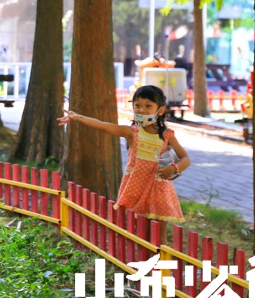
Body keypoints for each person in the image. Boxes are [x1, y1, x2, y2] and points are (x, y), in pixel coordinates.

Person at [57, 85, 190, 243]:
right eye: (137, 105)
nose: (141, 110)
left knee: (159, 236)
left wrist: (174, 169)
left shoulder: (167, 135)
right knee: (142, 234)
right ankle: (145, 265)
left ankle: (161, 267)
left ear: (160, 111)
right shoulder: (131, 132)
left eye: (148, 106)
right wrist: (78, 117)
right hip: (136, 188)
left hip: (159, 190)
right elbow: (104, 126)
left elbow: (185, 158)